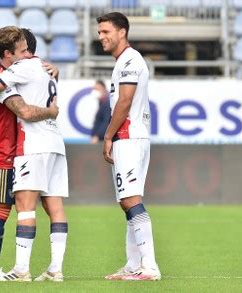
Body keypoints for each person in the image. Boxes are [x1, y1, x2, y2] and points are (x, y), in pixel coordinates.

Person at [0, 26, 59, 280]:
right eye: (23, 51)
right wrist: (52, 112)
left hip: (9, 147)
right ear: (8, 54)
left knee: (1, 206)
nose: (27, 56)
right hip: (4, 149)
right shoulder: (1, 80)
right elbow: (25, 111)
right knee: (1, 208)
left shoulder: (9, 72)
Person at [97, 12, 161, 281]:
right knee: (128, 201)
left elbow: (125, 101)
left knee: (130, 200)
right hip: (132, 137)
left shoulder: (130, 61)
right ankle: (134, 264)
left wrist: (108, 135)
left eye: (105, 32)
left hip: (129, 137)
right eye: (99, 32)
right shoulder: (124, 61)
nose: (101, 37)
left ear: (122, 32)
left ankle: (149, 267)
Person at [90, 79, 111, 144]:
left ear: (103, 88)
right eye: (94, 89)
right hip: (100, 138)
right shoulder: (102, 102)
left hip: (101, 139)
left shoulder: (107, 103)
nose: (95, 91)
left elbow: (106, 122)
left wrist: (97, 136)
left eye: (97, 89)